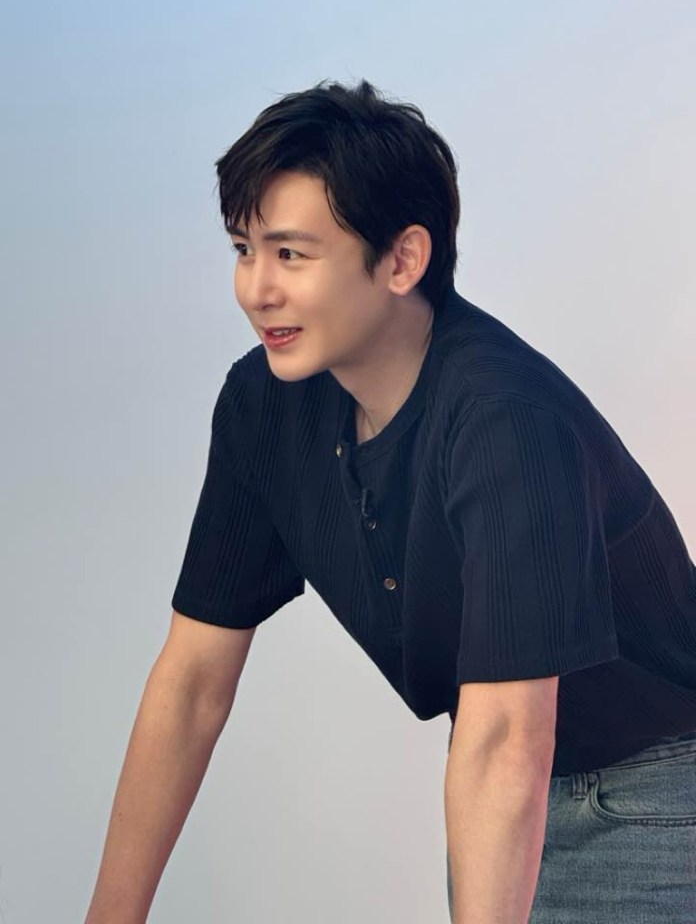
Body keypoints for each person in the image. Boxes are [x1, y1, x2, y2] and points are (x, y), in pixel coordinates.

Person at [84, 80, 696, 924]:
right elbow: (191, 681)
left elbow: (509, 736)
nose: (255, 289)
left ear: (403, 259)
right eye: (242, 249)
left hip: (661, 792)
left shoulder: (504, 420)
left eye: (291, 254)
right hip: (506, 788)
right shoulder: (266, 404)